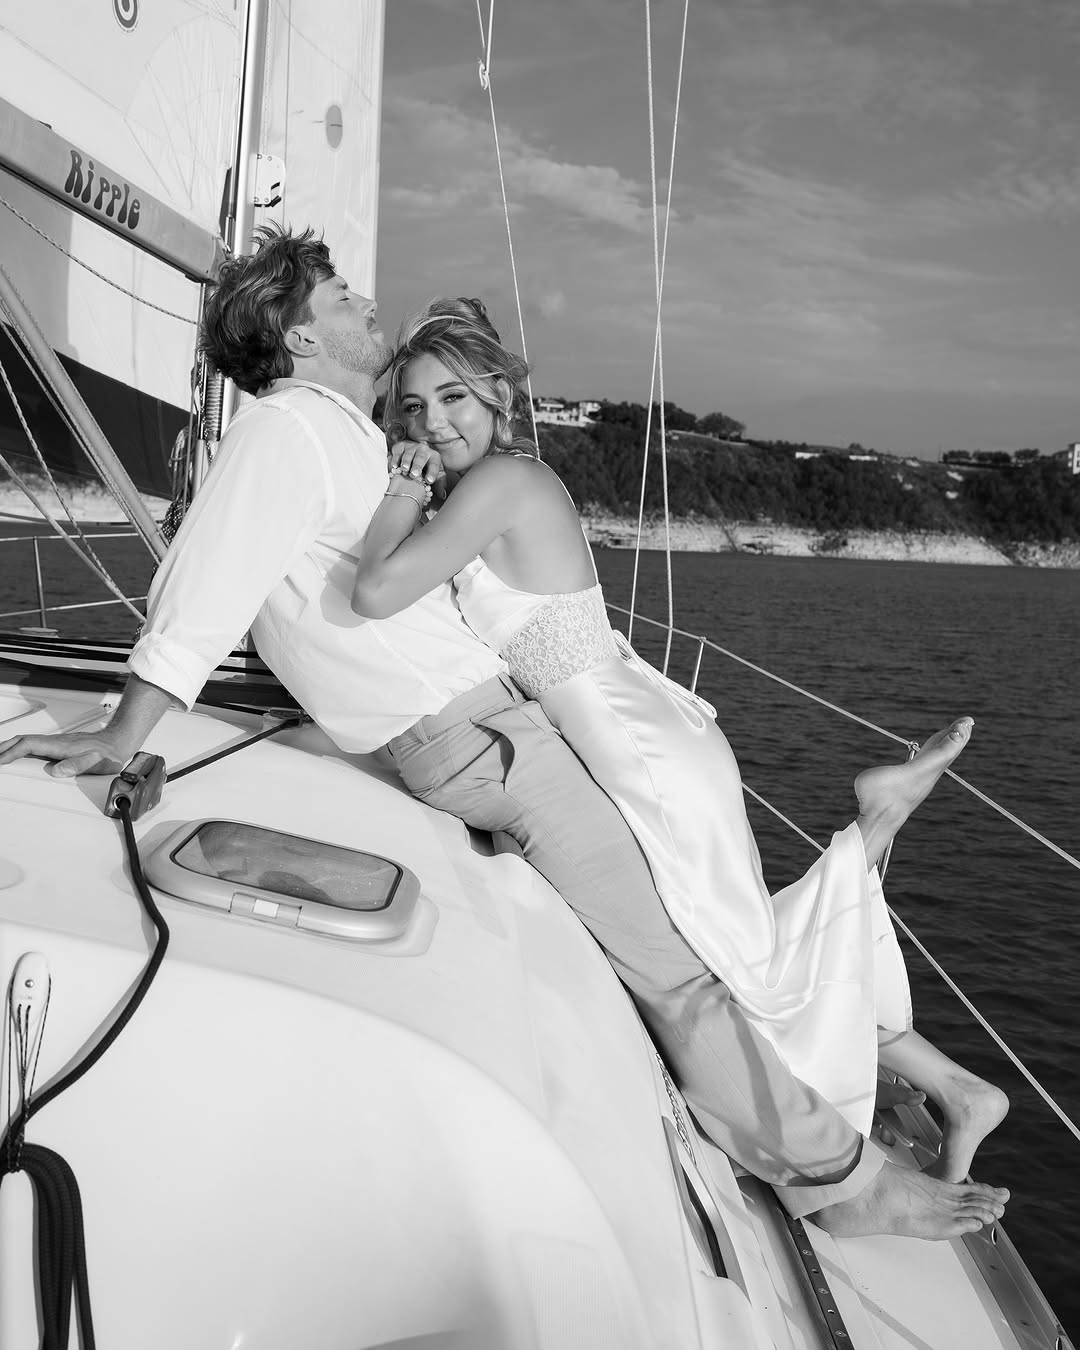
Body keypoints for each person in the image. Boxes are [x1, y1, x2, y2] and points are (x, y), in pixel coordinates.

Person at [0, 227, 1007, 1239]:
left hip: (485, 735)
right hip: (492, 743)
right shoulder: (288, 431)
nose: (364, 303)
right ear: (299, 336)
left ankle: (875, 1070)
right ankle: (848, 1186)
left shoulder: (343, 440)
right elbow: (211, 580)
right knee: (683, 976)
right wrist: (128, 729)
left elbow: (326, 599)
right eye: (339, 296)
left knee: (699, 939)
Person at [351, 295, 1009, 1184]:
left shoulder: (500, 485)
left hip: (639, 753)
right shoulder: (491, 486)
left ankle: (877, 834)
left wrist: (401, 484)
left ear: (499, 396)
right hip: (639, 737)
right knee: (730, 940)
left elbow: (376, 592)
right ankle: (959, 1084)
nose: (433, 422)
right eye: (415, 407)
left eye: (454, 398)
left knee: (729, 959)